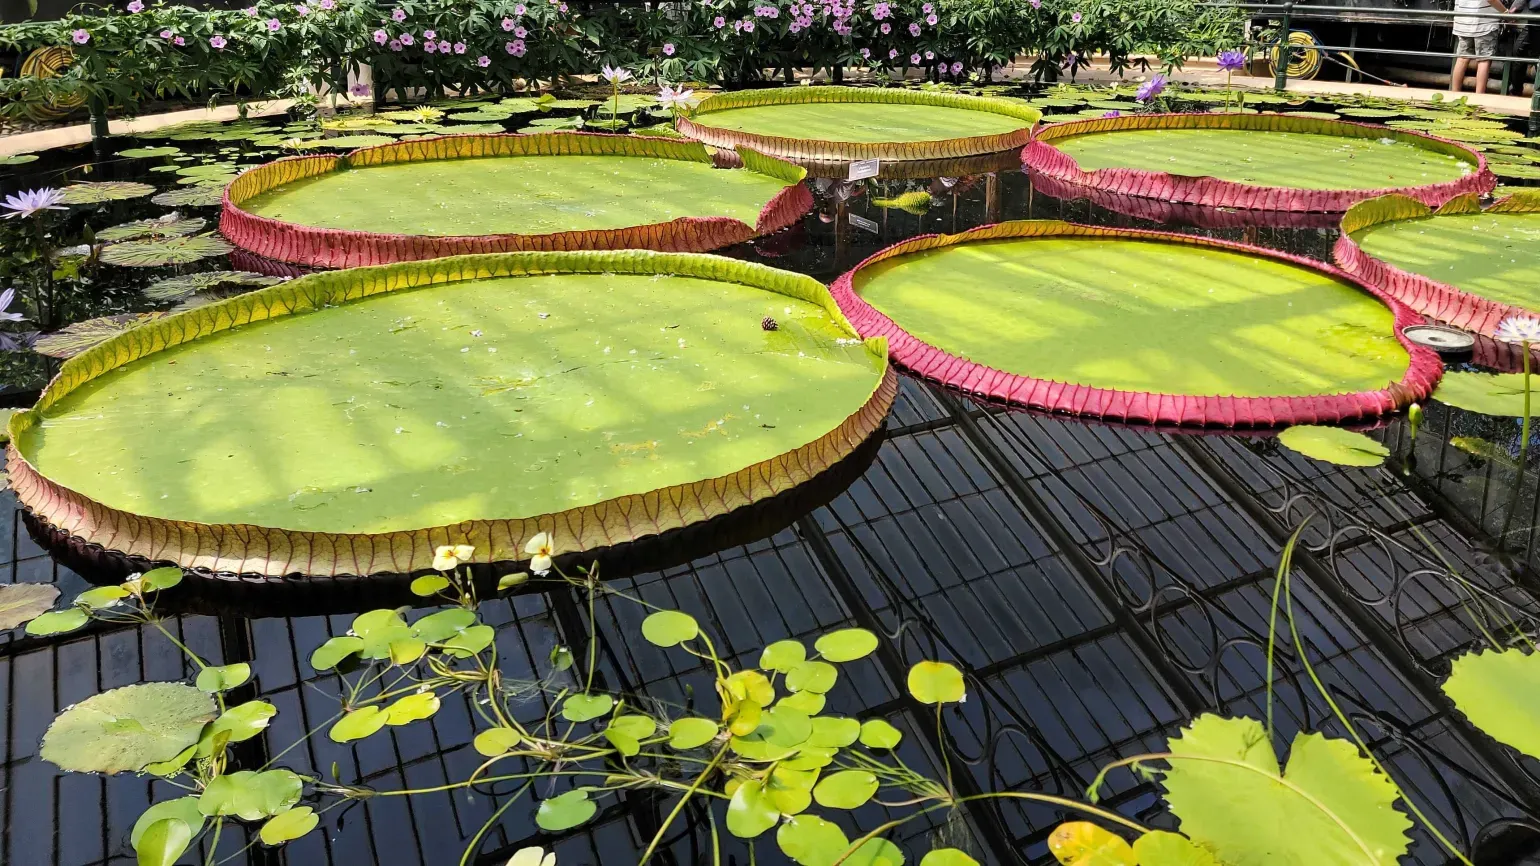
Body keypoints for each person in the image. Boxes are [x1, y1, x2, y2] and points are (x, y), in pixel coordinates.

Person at [1452, 0, 1509, 92]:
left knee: (1462, 59)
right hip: (1484, 23)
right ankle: (1479, 98)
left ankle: (1453, 94)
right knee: (1484, 61)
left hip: (1463, 21)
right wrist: (1506, 13)